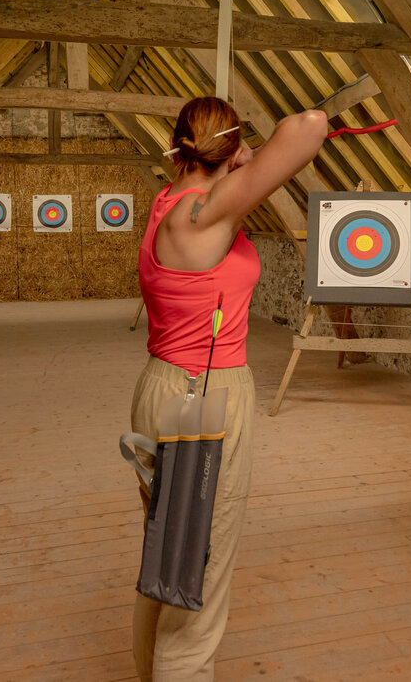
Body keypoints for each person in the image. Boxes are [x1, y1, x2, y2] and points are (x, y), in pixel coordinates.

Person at [131, 96, 327, 680]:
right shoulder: (205, 214)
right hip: (206, 397)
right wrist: (245, 158)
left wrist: (231, 156)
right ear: (230, 149)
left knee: (168, 556)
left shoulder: (167, 202)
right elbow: (310, 125)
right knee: (200, 573)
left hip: (161, 384)